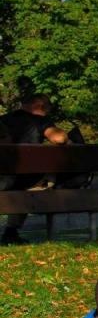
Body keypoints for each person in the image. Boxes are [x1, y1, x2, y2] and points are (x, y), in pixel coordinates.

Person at [1, 94, 70, 244]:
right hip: (24, 180)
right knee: (37, 183)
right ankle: (11, 232)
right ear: (39, 105)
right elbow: (59, 139)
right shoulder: (41, 121)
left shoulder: (4, 120)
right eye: (48, 106)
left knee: (23, 186)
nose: (49, 109)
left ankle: (11, 233)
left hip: (6, 178)